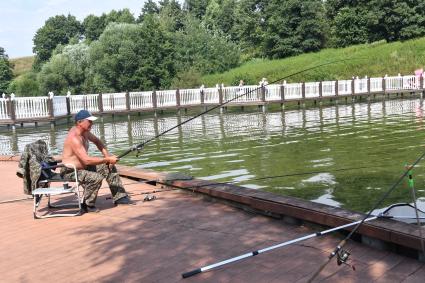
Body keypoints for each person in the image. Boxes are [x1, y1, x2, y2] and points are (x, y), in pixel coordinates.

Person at [61, 109, 131, 212]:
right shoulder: (74, 138)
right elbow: (86, 160)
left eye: (92, 121)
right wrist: (107, 159)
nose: (92, 123)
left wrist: (107, 157)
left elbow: (98, 142)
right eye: (89, 121)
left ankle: (120, 197)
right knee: (95, 178)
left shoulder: (85, 132)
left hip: (82, 168)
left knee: (107, 167)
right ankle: (87, 204)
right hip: (70, 171)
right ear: (79, 122)